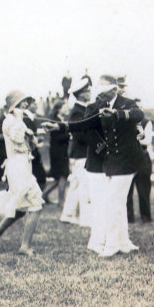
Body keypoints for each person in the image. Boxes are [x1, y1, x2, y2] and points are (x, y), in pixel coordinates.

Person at [46, 75, 145, 257]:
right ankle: (99, 242)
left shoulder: (125, 104)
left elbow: (138, 116)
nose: (98, 96)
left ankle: (121, 241)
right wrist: (60, 127)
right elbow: (84, 128)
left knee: (116, 203)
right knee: (103, 204)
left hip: (118, 162)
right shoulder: (94, 108)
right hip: (100, 161)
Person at [0, 91, 44, 255]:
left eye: (26, 102)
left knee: (21, 208)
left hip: (23, 164)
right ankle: (25, 246)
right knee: (35, 203)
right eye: (20, 103)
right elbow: (17, 140)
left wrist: (31, 136)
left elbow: (30, 144)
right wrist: (25, 129)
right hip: (17, 166)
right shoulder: (11, 120)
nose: (24, 105)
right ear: (13, 106)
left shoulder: (19, 121)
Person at [60, 77, 93, 225]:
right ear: (82, 94)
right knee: (83, 185)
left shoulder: (81, 110)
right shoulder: (78, 112)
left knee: (76, 184)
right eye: (88, 91)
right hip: (81, 153)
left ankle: (67, 214)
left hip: (79, 153)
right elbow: (80, 134)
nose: (90, 92)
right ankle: (85, 219)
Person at [127, 116, 154, 223]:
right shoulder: (126, 121)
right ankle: (129, 218)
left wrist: (131, 139)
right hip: (128, 157)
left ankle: (146, 217)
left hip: (142, 156)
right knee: (127, 190)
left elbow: (147, 140)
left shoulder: (147, 122)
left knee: (144, 189)